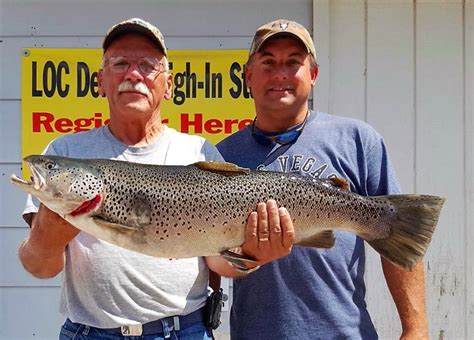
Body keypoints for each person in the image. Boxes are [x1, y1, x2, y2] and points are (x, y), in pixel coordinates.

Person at [18, 18, 294, 339]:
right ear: (101, 80)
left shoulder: (199, 150)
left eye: (148, 66)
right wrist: (46, 237)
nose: (133, 74)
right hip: (89, 332)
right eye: (120, 63)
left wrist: (253, 255)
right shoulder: (66, 150)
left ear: (169, 84)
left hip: (183, 331)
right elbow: (39, 267)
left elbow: (218, 261)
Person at [217, 19, 429, 339]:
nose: (280, 74)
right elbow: (207, 258)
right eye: (268, 62)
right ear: (248, 75)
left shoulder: (357, 140)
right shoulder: (220, 157)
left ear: (313, 75)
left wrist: (416, 329)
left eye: (293, 62)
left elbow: (401, 237)